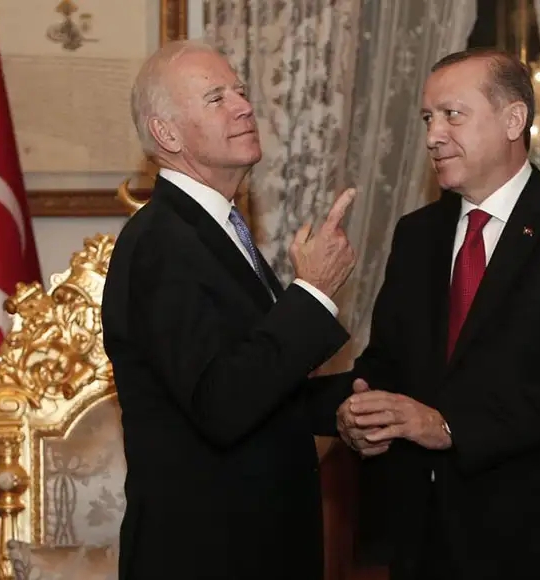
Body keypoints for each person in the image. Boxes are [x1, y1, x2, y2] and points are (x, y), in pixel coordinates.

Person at [337, 48, 540, 579]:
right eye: (428, 118)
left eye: (453, 115)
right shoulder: (417, 234)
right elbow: (387, 362)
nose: (433, 136)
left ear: (513, 120)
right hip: (427, 538)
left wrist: (450, 425)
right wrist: (359, 414)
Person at [102, 40, 357, 579]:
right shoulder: (161, 242)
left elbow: (258, 385)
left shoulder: (214, 229)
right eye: (216, 98)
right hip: (205, 554)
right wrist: (312, 292)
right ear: (167, 134)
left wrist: (352, 403)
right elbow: (220, 403)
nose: (244, 106)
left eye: (240, 91)